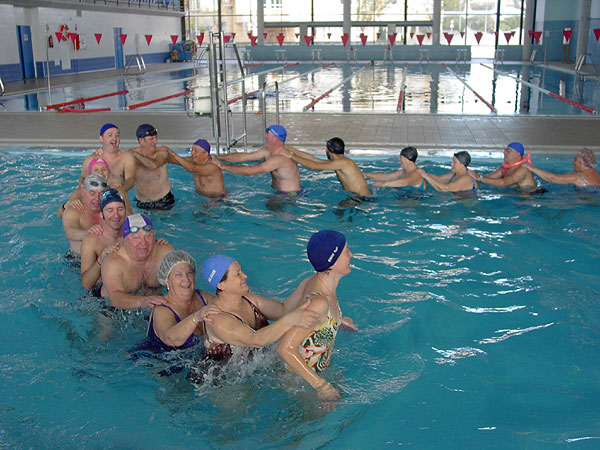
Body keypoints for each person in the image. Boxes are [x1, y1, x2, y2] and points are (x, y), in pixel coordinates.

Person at [277, 230, 358, 412]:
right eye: (346, 251)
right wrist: (320, 386)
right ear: (332, 260)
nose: (351, 255)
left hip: (313, 372)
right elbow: (285, 348)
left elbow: (284, 310)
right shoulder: (319, 302)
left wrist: (336, 321)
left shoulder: (315, 282)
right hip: (300, 381)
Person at [199, 254, 322, 360]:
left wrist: (313, 279)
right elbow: (256, 339)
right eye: (238, 274)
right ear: (221, 285)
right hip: (221, 382)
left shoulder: (248, 298)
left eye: (241, 270)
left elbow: (283, 310)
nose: (245, 276)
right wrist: (291, 320)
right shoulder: (216, 319)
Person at [147, 251, 220, 350]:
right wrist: (196, 317)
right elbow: (171, 338)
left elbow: (227, 308)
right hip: (162, 362)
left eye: (189, 273)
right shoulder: (162, 310)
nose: (186, 279)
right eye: (178, 275)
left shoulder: (202, 297)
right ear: (167, 282)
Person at [100, 213, 174, 309]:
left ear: (154, 234)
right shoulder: (113, 261)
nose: (143, 243)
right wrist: (142, 301)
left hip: (153, 305)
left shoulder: (165, 254)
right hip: (110, 308)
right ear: (124, 239)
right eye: (135, 238)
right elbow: (115, 297)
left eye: (148, 236)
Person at [213, 125, 301, 195]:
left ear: (275, 138)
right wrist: (218, 157)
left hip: (289, 196)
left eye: (267, 133)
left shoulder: (280, 158)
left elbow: (251, 171)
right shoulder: (267, 151)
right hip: (278, 192)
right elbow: (243, 157)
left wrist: (223, 166)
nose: (265, 136)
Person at [285, 137, 372, 196]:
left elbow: (314, 166)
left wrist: (290, 156)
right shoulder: (340, 162)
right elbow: (313, 159)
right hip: (359, 197)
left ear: (328, 151)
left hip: (361, 199)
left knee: (340, 213)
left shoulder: (343, 163)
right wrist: (289, 149)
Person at [80, 189, 128, 293]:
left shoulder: (133, 235)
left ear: (125, 211)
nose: (116, 215)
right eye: (110, 210)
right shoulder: (92, 241)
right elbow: (86, 284)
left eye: (120, 209)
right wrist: (101, 260)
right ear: (102, 215)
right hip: (99, 296)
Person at [79, 123, 135, 192]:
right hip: (97, 198)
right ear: (101, 139)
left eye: (117, 135)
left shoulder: (126, 157)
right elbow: (82, 179)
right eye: (110, 135)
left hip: (117, 198)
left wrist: (119, 190)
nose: (114, 139)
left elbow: (130, 180)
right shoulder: (91, 159)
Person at [130, 124, 175, 210]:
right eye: (151, 139)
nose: (155, 142)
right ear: (141, 140)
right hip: (141, 204)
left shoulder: (162, 152)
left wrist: (135, 155)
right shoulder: (130, 155)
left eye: (156, 138)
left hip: (164, 202)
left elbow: (154, 165)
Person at [61, 173, 108, 255]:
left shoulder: (111, 209)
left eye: (101, 194)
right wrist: (90, 232)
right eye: (92, 193)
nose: (97, 199)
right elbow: (70, 232)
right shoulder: (74, 210)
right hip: (77, 261)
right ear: (83, 192)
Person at [525, 148, 600, 188]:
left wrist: (532, 168)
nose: (573, 161)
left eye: (575, 160)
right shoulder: (595, 173)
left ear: (582, 163)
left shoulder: (578, 177)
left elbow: (553, 178)